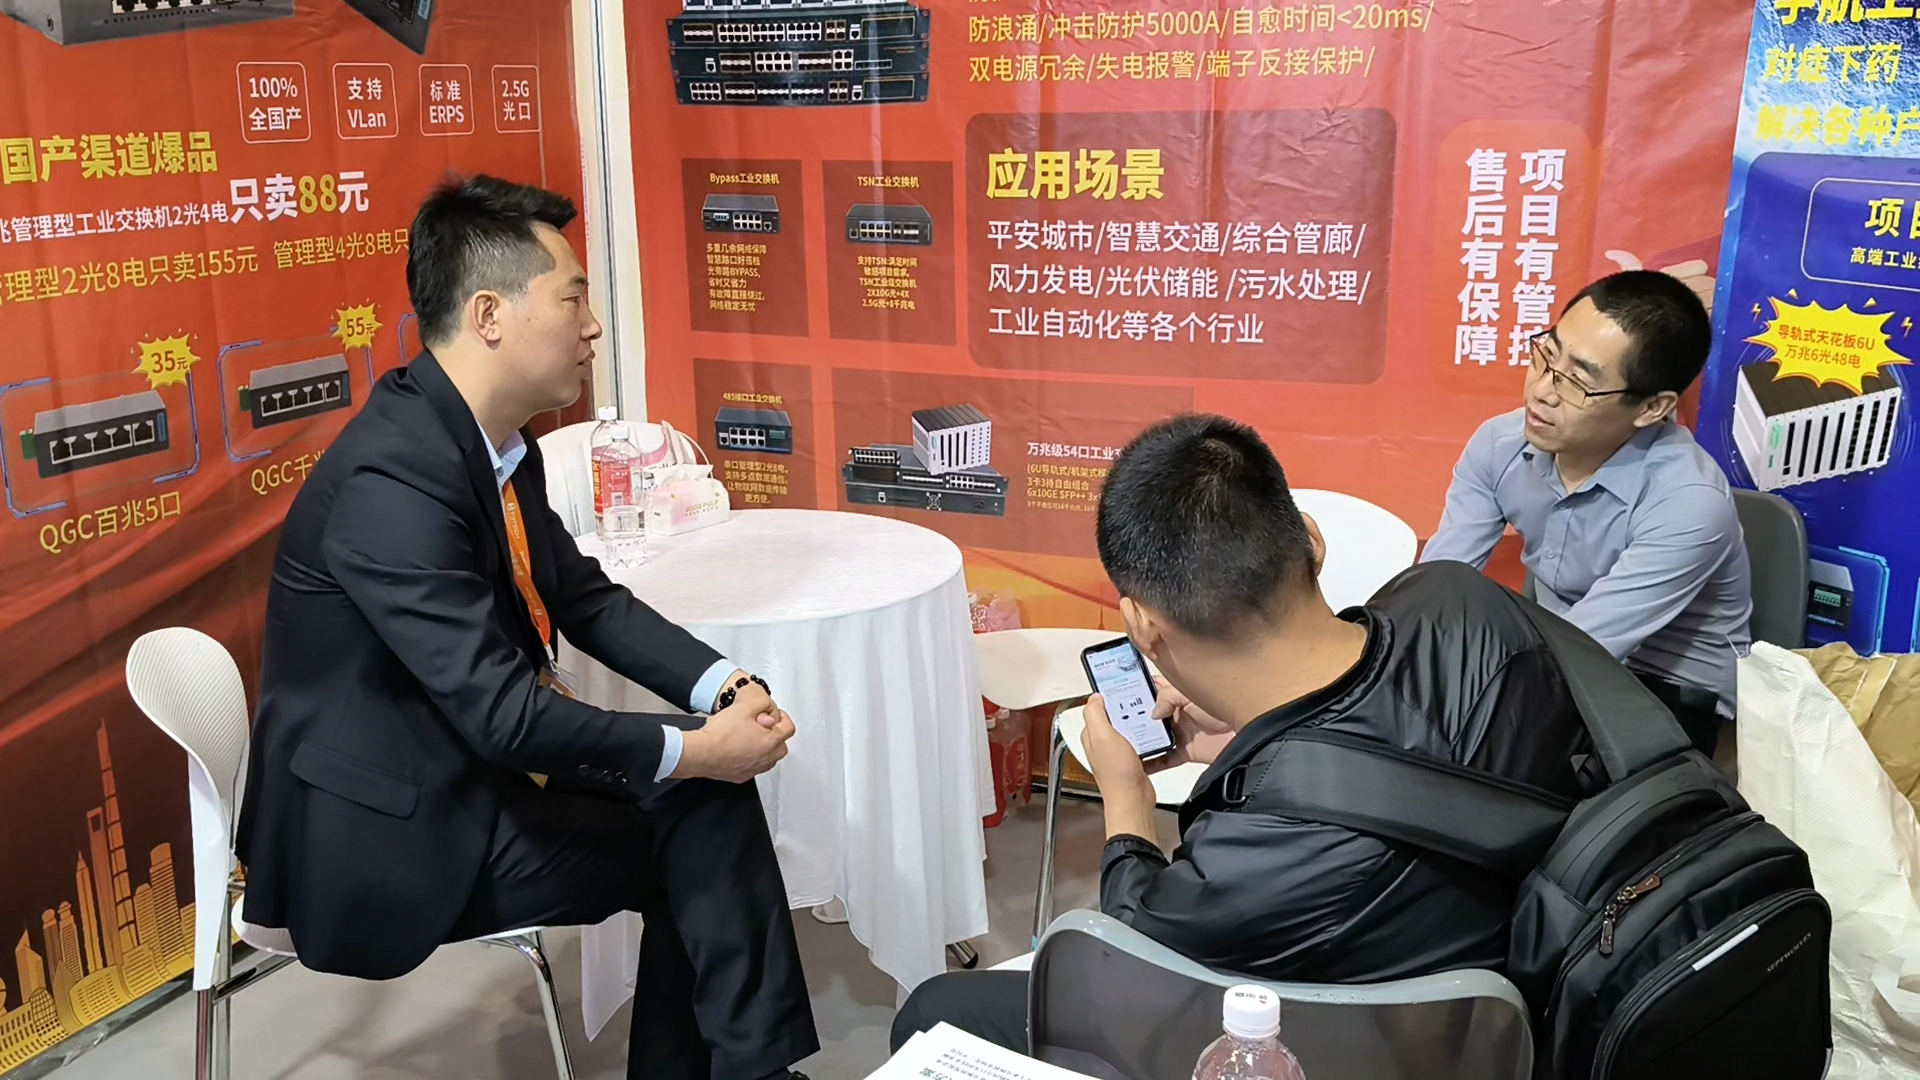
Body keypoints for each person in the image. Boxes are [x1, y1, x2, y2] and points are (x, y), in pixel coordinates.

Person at [234, 176, 818, 1080]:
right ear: (489, 316)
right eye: (573, 298)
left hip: (469, 768)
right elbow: (505, 715)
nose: (593, 326)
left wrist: (726, 687)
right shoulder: (393, 484)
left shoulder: (492, 445)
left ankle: (748, 1071)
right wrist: (699, 749)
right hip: (388, 831)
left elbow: (586, 600)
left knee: (704, 806)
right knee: (698, 811)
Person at [891, 414, 1593, 1053]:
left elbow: (1137, 949)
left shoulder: (1252, 853)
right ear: (1312, 540)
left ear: (1140, 627)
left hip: (1316, 1045)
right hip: (1487, 1013)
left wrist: (1126, 799)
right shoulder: (1455, 599)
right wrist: (1254, 737)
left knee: (937, 1010)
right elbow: (1406, 744)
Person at [1420, 270, 1752, 754]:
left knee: (1474, 756)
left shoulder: (1689, 502)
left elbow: (1583, 649)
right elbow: (1438, 587)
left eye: (1578, 380)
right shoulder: (1501, 444)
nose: (1542, 390)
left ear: (1652, 407)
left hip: (1667, 690)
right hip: (1553, 654)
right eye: (1547, 354)